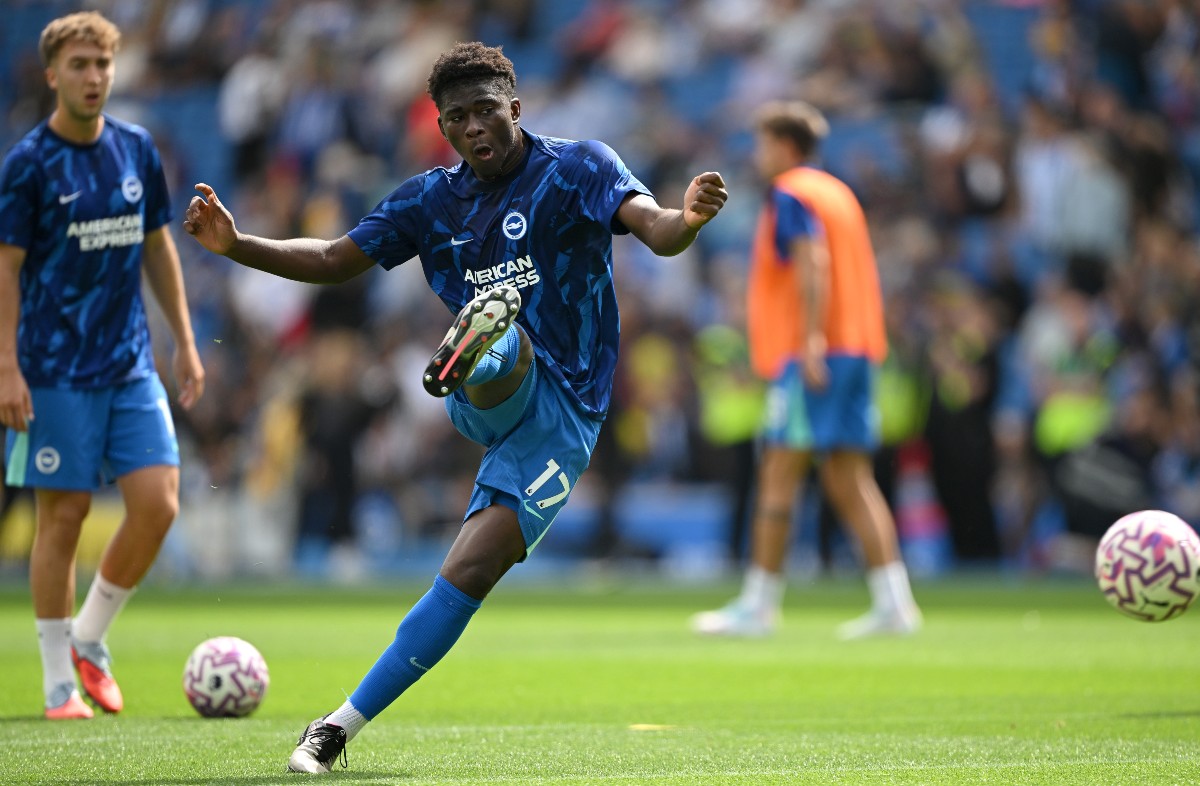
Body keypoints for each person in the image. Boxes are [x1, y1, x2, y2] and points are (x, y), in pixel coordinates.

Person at [183, 41, 727, 774]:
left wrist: (686, 220)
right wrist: (237, 244)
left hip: (567, 413)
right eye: (457, 118)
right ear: (441, 127)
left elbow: (655, 229)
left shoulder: (580, 168)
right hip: (489, 394)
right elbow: (336, 260)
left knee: (471, 570)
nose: (474, 127)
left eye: (486, 111)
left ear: (516, 108)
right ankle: (482, 345)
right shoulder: (428, 201)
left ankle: (336, 727)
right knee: (507, 339)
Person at [0, 11, 205, 719]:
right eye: (80, 65)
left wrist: (183, 338)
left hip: (129, 362)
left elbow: (158, 247)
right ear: (52, 75)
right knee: (63, 517)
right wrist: (6, 366)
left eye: (103, 65)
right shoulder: (28, 164)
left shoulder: (136, 149)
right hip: (53, 369)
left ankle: (90, 636)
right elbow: (6, 269)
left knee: (159, 504)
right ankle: (59, 680)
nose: (93, 77)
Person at [691, 100, 921, 640]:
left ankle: (758, 605)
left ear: (785, 146)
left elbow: (811, 261)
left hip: (812, 354)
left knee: (778, 471)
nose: (758, 154)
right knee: (850, 478)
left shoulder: (791, 192)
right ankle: (895, 604)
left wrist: (811, 340)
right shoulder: (839, 194)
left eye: (763, 143)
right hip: (859, 348)